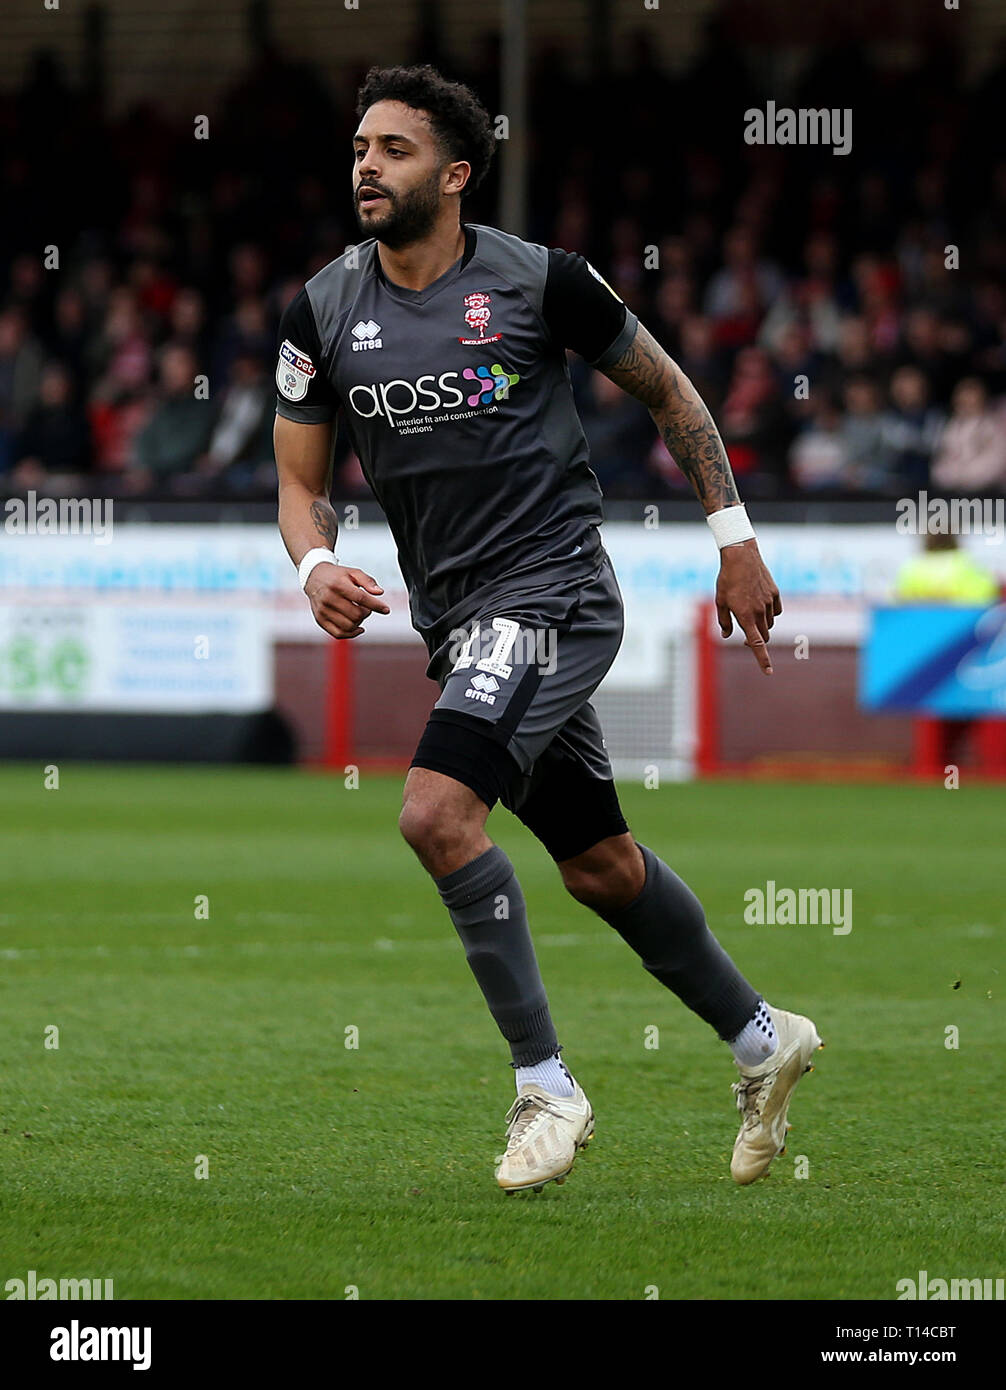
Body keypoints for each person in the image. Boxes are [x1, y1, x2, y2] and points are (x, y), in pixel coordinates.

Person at [273, 64, 822, 1195]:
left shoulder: (542, 283)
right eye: (360, 148)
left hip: (553, 591)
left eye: (395, 149)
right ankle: (766, 1038)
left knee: (434, 813)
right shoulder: (322, 309)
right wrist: (317, 558)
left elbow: (671, 391)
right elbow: (299, 483)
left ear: (456, 174)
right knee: (599, 867)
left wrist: (735, 535)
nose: (367, 166)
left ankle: (545, 1085)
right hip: (457, 622)